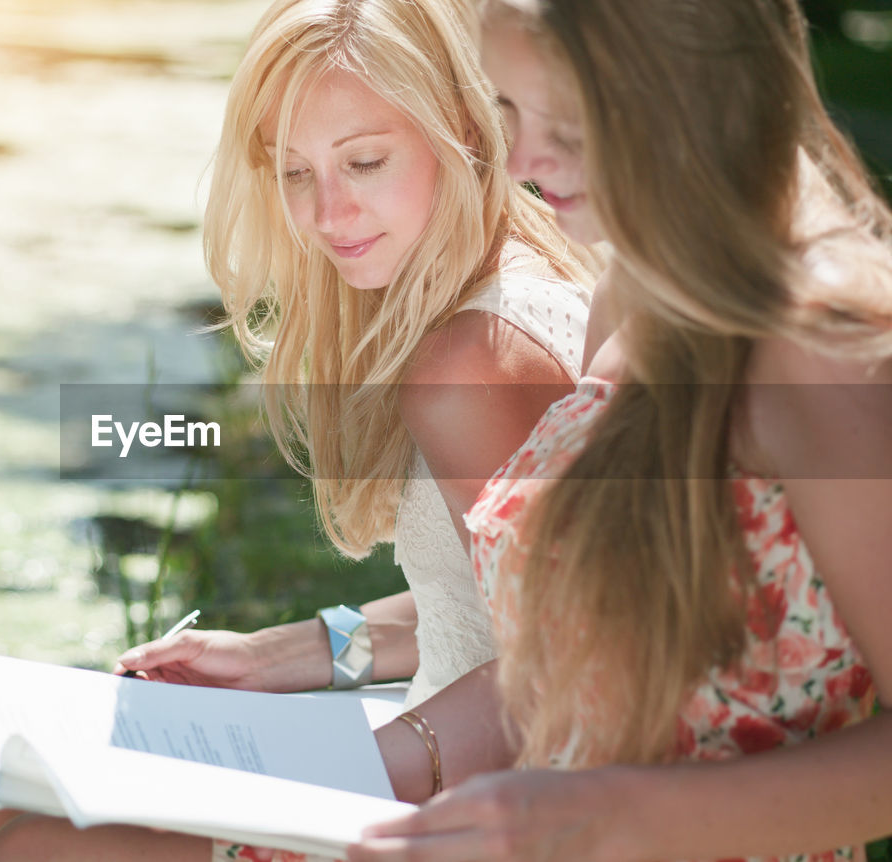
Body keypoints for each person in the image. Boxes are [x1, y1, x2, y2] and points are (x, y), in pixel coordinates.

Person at [0, 0, 600, 859]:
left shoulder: (469, 363)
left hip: (494, 808)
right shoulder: (519, 263)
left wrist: (329, 781)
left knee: (25, 843)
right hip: (462, 758)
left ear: (465, 130)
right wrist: (288, 654)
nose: (328, 215)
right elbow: (493, 601)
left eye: (364, 161)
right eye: (294, 173)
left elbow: (570, 671)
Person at [348, 0, 892, 860]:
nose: (522, 162)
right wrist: (359, 770)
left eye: (566, 121)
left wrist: (614, 818)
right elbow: (567, 673)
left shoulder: (827, 346)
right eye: (511, 111)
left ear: (692, 83)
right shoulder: (634, 284)